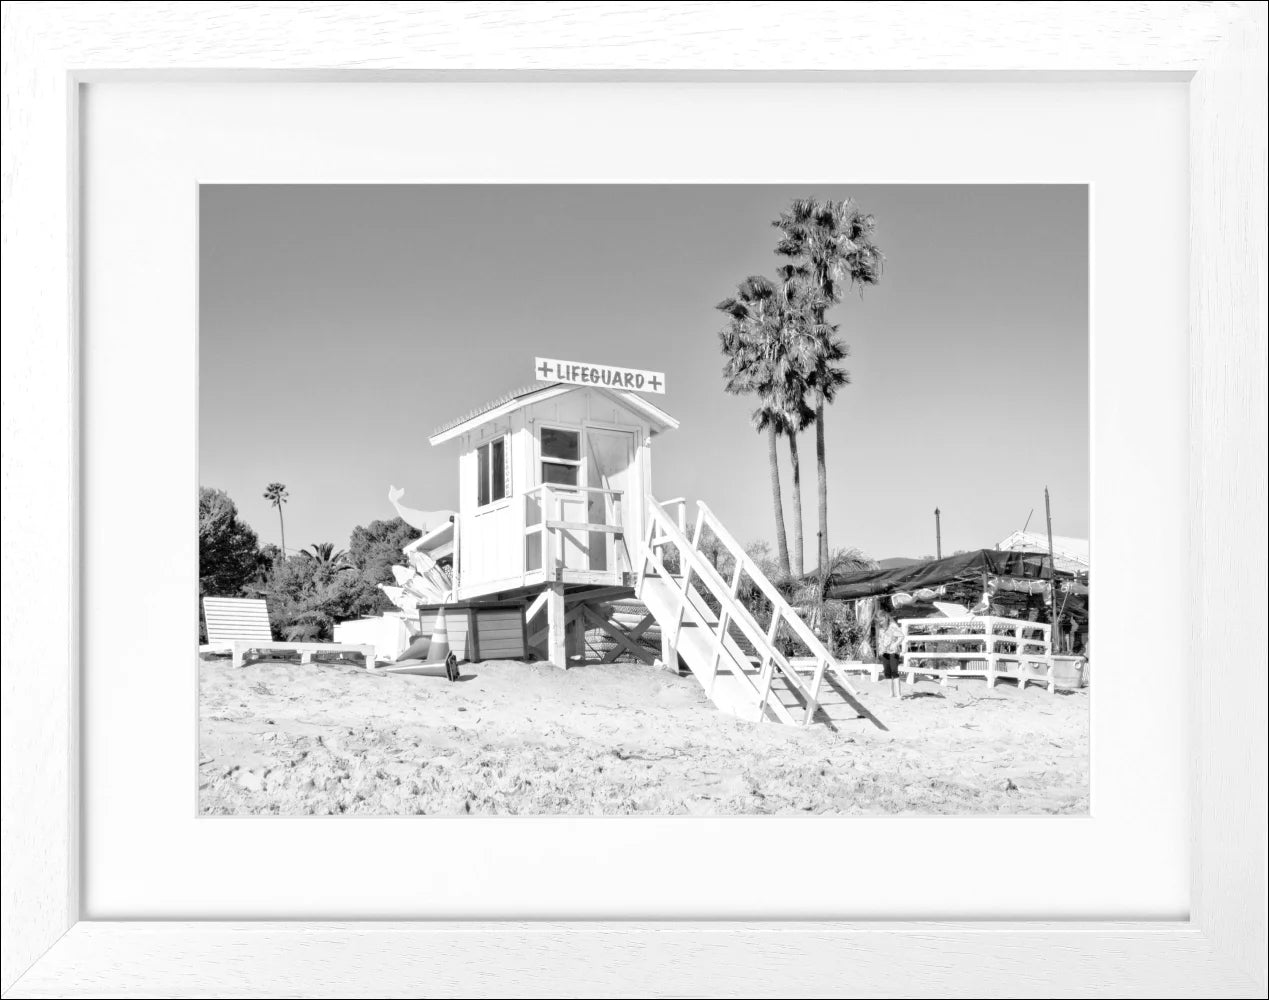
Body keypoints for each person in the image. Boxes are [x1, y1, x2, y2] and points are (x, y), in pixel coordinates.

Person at [878, 614, 905, 696]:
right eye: (879, 621)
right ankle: (891, 692)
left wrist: (896, 644)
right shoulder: (881, 629)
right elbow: (880, 640)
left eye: (882, 620)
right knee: (887, 672)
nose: (881, 622)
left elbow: (902, 636)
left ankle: (898, 693)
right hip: (884, 652)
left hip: (893, 652)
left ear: (886, 619)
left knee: (894, 671)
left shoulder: (893, 626)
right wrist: (880, 649)